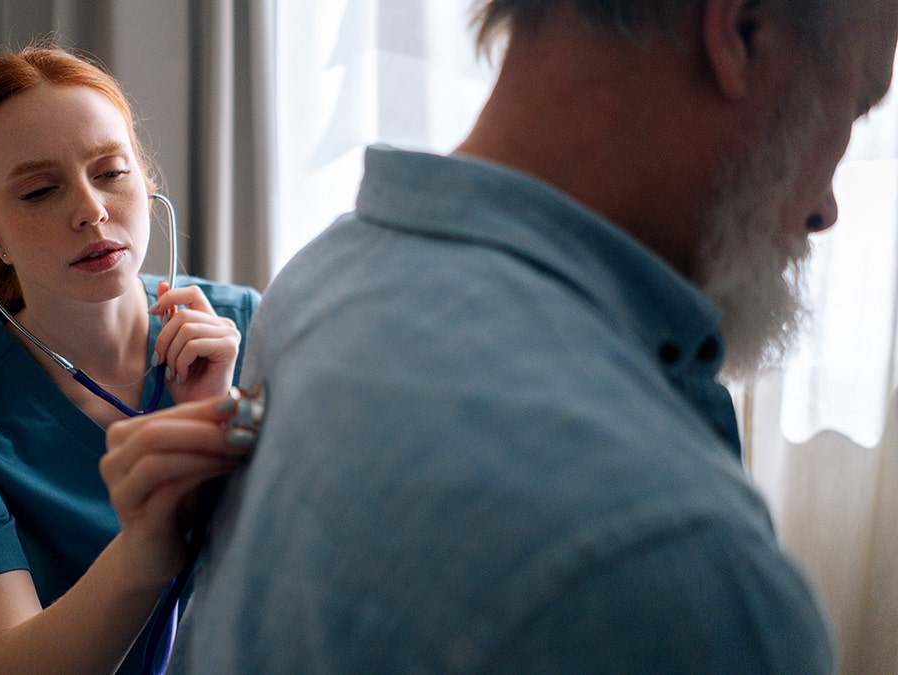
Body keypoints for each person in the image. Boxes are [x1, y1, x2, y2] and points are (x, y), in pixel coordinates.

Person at [103, 0, 898, 671]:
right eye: (855, 102)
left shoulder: (314, 284)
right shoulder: (679, 565)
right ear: (743, 32)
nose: (827, 207)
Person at [0, 45, 260, 674]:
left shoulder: (250, 326)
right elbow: (12, 663)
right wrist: (146, 546)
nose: (91, 210)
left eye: (112, 173)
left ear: (146, 182)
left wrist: (227, 423)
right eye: (39, 191)